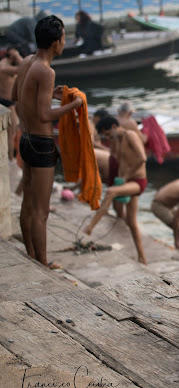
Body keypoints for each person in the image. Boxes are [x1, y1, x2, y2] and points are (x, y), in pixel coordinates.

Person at [11, 15, 83, 269]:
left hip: (26, 138)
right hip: (41, 144)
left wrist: (45, 95)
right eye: (63, 37)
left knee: (27, 202)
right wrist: (73, 105)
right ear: (56, 42)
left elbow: (14, 95)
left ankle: (31, 254)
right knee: (41, 210)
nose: (64, 41)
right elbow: (44, 115)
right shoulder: (46, 70)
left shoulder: (27, 62)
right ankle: (42, 262)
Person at [84, 116, 147, 264]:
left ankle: (90, 228)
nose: (107, 137)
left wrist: (126, 176)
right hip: (126, 181)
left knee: (111, 192)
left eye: (107, 134)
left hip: (137, 181)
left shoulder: (130, 135)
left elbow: (142, 158)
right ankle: (142, 258)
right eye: (105, 136)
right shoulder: (117, 141)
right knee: (132, 222)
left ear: (113, 126)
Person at [0, 47, 23, 159]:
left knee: (10, 132)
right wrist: (17, 55)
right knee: (11, 133)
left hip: (9, 101)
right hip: (7, 102)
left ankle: (10, 157)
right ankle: (10, 159)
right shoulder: (5, 66)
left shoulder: (6, 64)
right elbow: (25, 67)